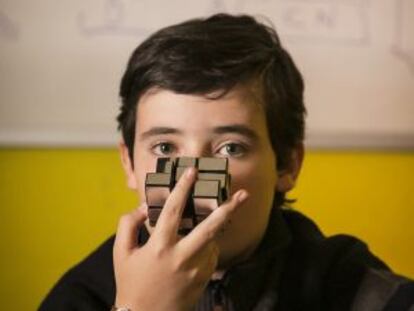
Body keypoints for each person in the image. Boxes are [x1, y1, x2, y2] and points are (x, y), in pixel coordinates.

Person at [39, 13, 414, 311]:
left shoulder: (348, 283)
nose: (192, 177)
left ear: (287, 165)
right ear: (129, 164)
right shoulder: (84, 293)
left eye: (230, 149)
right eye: (166, 149)